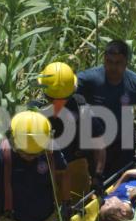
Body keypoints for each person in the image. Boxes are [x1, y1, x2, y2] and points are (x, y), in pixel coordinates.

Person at [33, 61, 107, 201]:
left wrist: (97, 176)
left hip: (75, 174)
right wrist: (98, 175)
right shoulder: (35, 113)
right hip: (45, 176)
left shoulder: (80, 109)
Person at [76, 40, 136, 177]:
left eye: (118, 63)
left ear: (126, 62)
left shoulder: (135, 83)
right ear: (104, 59)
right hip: (96, 143)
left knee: (121, 182)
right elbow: (67, 88)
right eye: (109, 62)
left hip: (124, 143)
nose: (113, 67)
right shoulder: (89, 79)